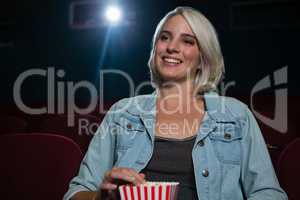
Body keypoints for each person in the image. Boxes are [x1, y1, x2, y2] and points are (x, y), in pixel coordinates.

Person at [64, 7, 287, 200]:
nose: (172, 47)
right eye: (165, 37)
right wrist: (99, 196)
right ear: (155, 48)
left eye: (188, 41)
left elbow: (268, 193)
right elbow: (77, 192)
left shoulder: (237, 115)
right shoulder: (122, 113)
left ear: (203, 57)